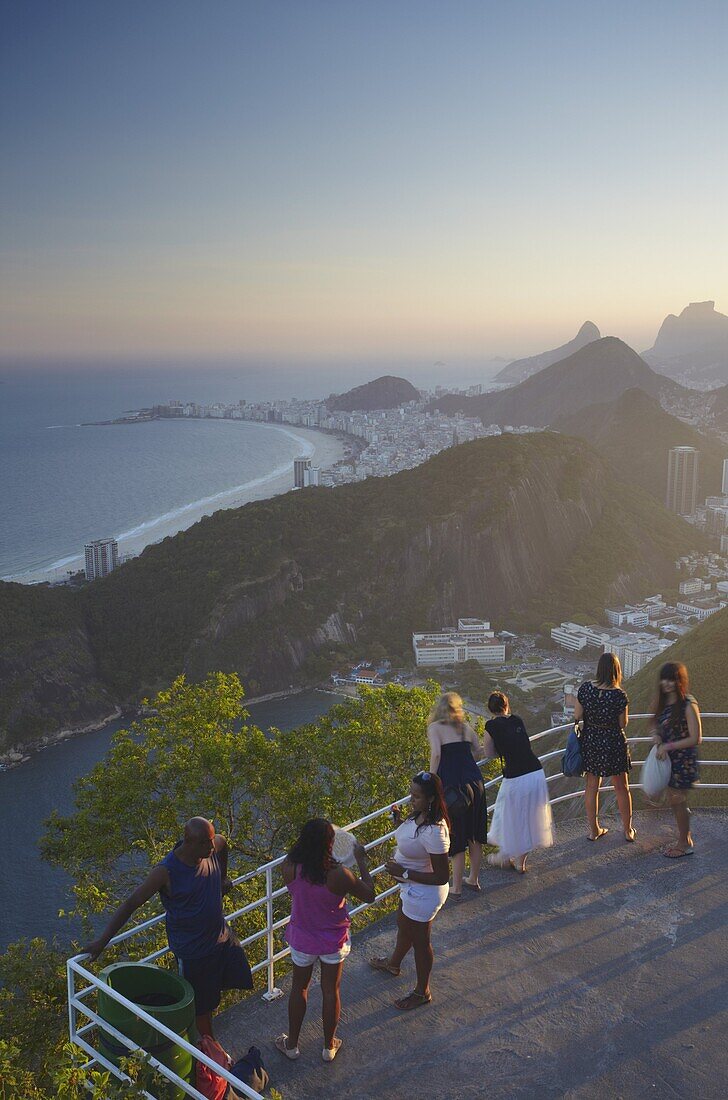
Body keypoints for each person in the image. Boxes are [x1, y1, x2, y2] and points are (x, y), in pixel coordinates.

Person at [83, 817, 252, 1039]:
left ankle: (208, 1040)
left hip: (221, 938)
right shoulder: (166, 871)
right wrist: (102, 941)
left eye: (211, 840)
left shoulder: (213, 848)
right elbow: (131, 903)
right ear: (189, 842)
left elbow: (223, 844)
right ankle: (209, 1053)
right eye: (205, 842)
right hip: (194, 951)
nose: (211, 846)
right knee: (200, 1007)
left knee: (233, 981)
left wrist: (222, 879)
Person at [275, 819, 375, 1064]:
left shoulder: (290, 867)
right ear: (330, 844)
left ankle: (292, 1045)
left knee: (300, 987)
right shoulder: (339, 875)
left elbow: (298, 892)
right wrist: (361, 860)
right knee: (331, 990)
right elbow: (370, 895)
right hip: (333, 938)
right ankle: (329, 1047)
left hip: (302, 936)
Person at [368, 771, 450, 1011]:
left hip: (425, 892)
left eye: (416, 796)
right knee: (403, 924)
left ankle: (422, 992)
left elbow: (442, 876)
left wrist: (404, 873)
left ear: (432, 798)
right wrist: (398, 821)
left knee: (421, 941)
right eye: (411, 794)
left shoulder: (435, 830)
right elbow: (414, 841)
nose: (410, 799)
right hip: (411, 887)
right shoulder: (420, 815)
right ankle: (393, 964)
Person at [483, 692, 554, 873]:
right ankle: (519, 862)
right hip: (535, 772)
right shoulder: (517, 720)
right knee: (530, 818)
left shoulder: (490, 725)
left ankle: (505, 857)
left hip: (516, 776)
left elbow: (489, 753)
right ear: (506, 705)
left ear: (490, 709)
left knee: (506, 816)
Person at [427, 692, 486, 896]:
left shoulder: (435, 728)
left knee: (457, 836)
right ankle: (474, 880)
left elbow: (436, 754)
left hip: (453, 788)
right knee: (475, 835)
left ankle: (457, 887)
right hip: (476, 784)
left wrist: (430, 780)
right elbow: (478, 751)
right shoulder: (466, 728)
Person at [574, 653, 635, 843]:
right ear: (616, 670)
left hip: (591, 740)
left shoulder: (585, 689)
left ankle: (594, 830)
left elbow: (577, 715)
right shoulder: (619, 695)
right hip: (613, 742)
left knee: (592, 787)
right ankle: (627, 830)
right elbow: (622, 723)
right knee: (622, 787)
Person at [649, 662, 702, 858]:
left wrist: (667, 746)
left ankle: (685, 843)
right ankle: (684, 836)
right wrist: (656, 735)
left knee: (678, 800)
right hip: (668, 760)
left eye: (672, 679)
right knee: (676, 800)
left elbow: (696, 737)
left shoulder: (688, 704)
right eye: (664, 679)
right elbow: (654, 723)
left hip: (682, 760)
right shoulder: (663, 702)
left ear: (680, 681)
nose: (667, 683)